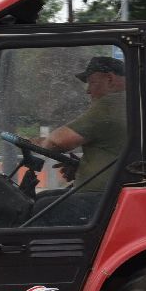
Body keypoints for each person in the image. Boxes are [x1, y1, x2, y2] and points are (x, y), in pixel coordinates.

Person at [45, 55, 135, 193]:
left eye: (92, 82)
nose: (87, 91)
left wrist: (34, 142)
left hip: (105, 198)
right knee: (46, 197)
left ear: (110, 79)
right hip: (115, 192)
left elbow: (55, 142)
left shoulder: (110, 105)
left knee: (40, 205)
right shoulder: (136, 106)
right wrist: (81, 166)